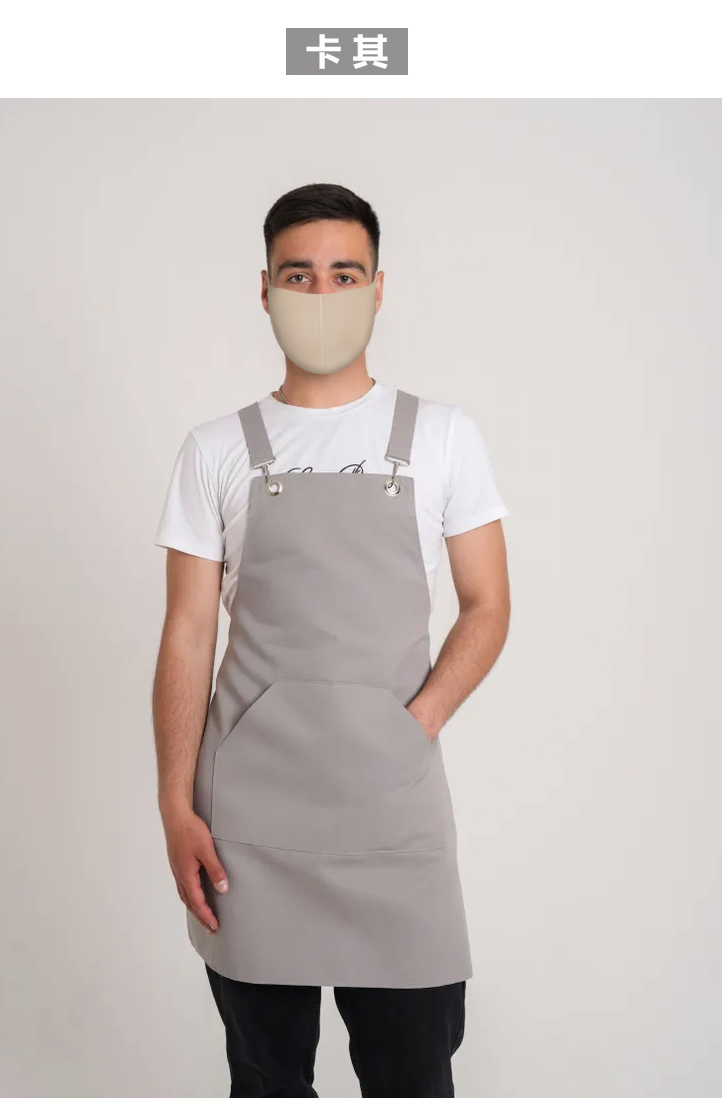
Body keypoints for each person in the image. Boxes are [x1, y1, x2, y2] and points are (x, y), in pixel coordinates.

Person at [151, 182, 511, 1097]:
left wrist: (415, 724)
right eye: (298, 275)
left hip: (394, 814)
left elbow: (487, 605)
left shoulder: (443, 437)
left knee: (414, 1079)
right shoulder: (215, 450)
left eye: (344, 274)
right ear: (265, 289)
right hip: (247, 826)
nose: (321, 293)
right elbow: (187, 633)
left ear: (378, 289)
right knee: (267, 1082)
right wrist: (175, 805)